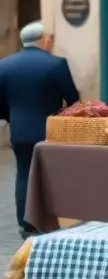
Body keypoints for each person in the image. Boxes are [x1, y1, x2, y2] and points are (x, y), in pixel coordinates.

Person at [0, 23, 79, 236]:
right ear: (43, 40)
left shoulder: (4, 65)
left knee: (24, 174)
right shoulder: (56, 64)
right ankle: (50, 221)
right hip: (50, 131)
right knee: (51, 175)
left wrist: (13, 118)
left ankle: (26, 223)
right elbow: (73, 100)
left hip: (19, 132)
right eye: (48, 38)